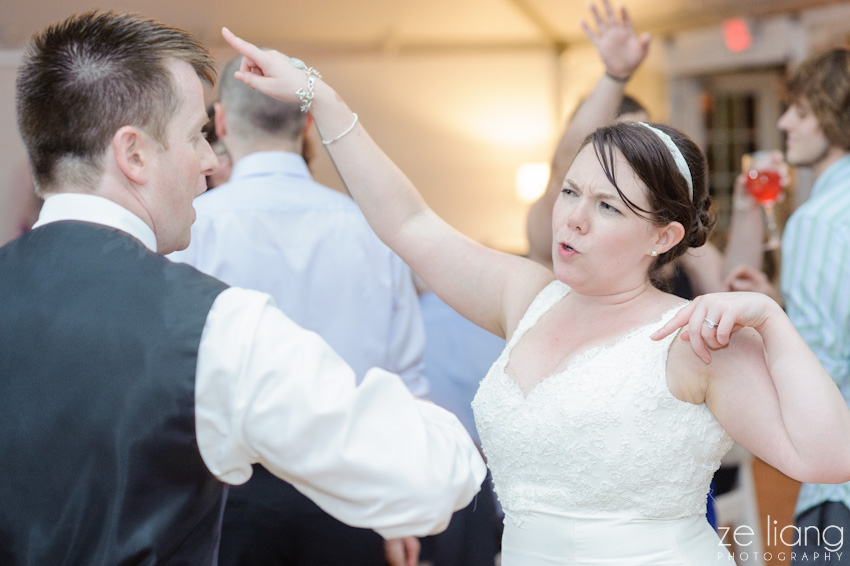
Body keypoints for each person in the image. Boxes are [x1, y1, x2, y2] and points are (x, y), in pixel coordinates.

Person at [221, 15, 850, 564]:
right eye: (571, 193)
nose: (572, 218)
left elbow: (828, 457)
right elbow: (410, 224)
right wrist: (320, 97)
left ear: (663, 236)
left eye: (608, 206)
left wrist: (770, 318)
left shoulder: (690, 340)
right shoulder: (527, 297)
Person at [0, 11, 487, 565]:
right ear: (133, 154)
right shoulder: (212, 328)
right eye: (194, 136)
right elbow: (423, 478)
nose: (210, 163)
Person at [169, 54, 430, 566]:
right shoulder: (373, 232)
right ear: (307, 122)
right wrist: (401, 508)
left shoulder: (192, 232)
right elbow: (405, 383)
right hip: (350, 493)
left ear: (220, 121)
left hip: (226, 499)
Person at [730, 48, 850, 563]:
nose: (783, 123)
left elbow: (822, 363)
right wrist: (781, 305)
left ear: (834, 117)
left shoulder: (819, 220)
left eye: (800, 111)